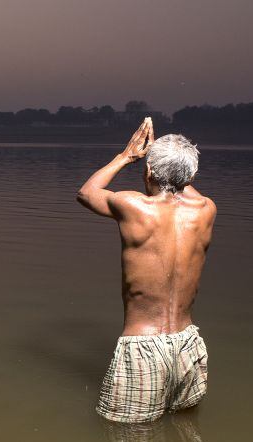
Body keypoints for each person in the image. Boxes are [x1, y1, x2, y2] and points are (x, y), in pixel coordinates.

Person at [76, 118, 215, 423]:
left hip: (142, 349)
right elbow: (183, 181)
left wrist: (126, 156)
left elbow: (86, 193)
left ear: (149, 171)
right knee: (183, 434)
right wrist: (172, 162)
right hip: (187, 344)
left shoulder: (133, 206)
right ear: (190, 175)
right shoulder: (206, 210)